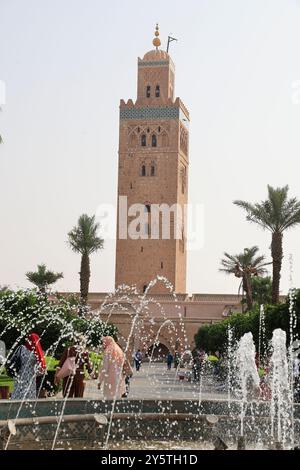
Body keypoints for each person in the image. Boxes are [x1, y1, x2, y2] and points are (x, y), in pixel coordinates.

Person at [11, 333, 46, 400]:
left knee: (18, 391)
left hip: (19, 374)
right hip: (30, 376)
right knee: (29, 394)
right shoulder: (35, 353)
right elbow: (41, 370)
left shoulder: (21, 348)